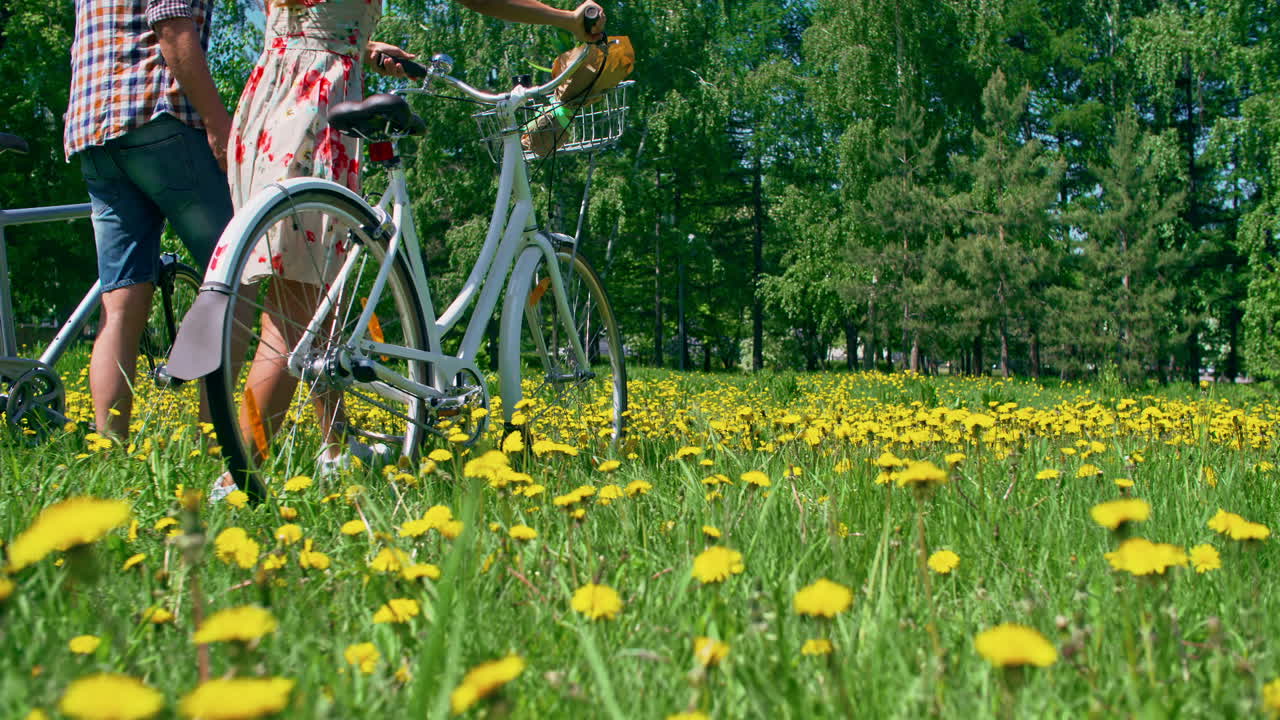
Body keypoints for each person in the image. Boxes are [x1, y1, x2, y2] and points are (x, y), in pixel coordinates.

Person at [209, 0, 606, 498]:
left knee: (318, 299)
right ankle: (235, 483)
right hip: (315, 107)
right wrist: (568, 19)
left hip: (272, 102)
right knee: (293, 315)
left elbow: (310, 21)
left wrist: (360, 43)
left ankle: (336, 453)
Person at [64, 0, 234, 439]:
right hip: (157, 120)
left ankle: (108, 449)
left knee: (119, 302)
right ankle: (215, 444)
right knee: (235, 273)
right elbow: (172, 26)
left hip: (92, 132)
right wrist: (218, 123)